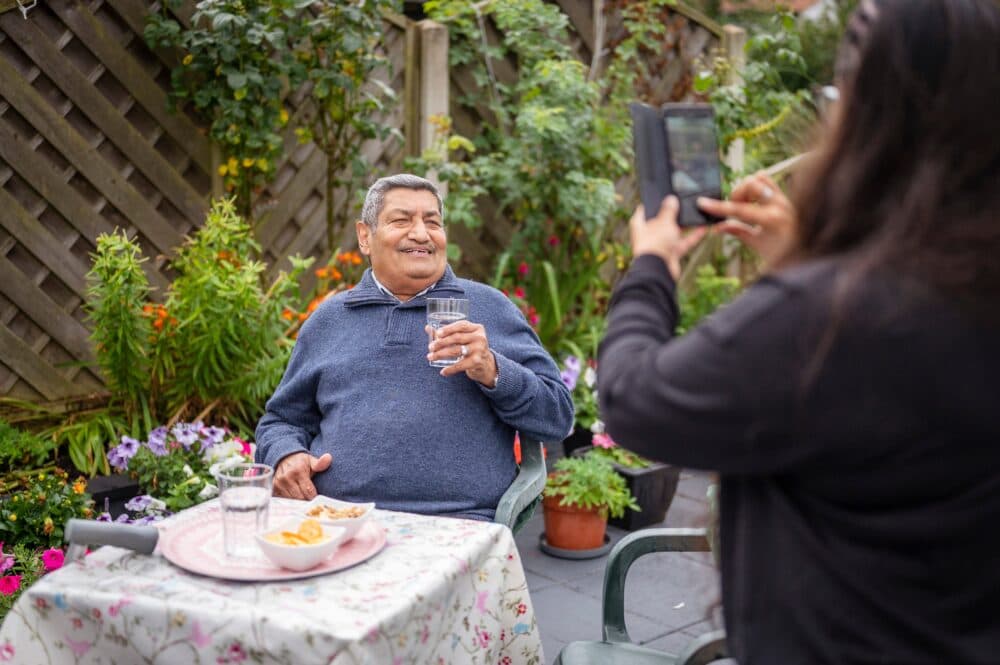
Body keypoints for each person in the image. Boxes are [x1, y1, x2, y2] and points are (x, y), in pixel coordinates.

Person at [598, 0, 1000, 662]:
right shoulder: (960, 290)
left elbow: (636, 399)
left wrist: (651, 266)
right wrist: (808, 258)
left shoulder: (832, 317)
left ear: (873, 122)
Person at [256, 174, 573, 521]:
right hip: (338, 520)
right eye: (402, 220)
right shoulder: (330, 319)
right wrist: (286, 454)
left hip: (456, 524)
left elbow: (557, 418)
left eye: (432, 222)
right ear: (365, 236)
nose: (421, 234)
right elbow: (280, 420)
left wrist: (493, 370)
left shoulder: (489, 308)